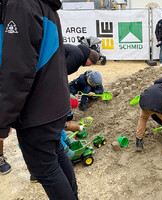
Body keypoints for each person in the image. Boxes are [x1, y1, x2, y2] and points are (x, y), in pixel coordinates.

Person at [0, 0, 78, 199]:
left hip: (37, 107)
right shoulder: (39, 4)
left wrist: (2, 120)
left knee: (45, 169)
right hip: (52, 101)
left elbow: (16, 71)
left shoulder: (20, 4)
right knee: (55, 155)